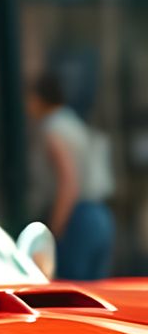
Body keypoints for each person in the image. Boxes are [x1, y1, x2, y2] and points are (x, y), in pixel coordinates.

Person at [27, 70, 115, 279]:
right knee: (94, 290)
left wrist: (54, 231)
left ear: (39, 98)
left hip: (77, 218)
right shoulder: (73, 123)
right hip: (101, 216)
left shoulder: (52, 129)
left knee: (70, 287)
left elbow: (69, 182)